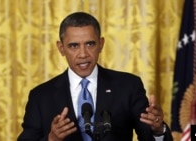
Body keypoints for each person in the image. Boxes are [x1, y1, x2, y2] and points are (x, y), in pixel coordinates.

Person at [17, 12, 173, 141]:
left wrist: (158, 129)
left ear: (101, 44)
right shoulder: (41, 96)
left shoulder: (128, 86)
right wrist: (51, 139)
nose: (83, 54)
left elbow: (148, 136)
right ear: (61, 48)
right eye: (74, 46)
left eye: (90, 44)